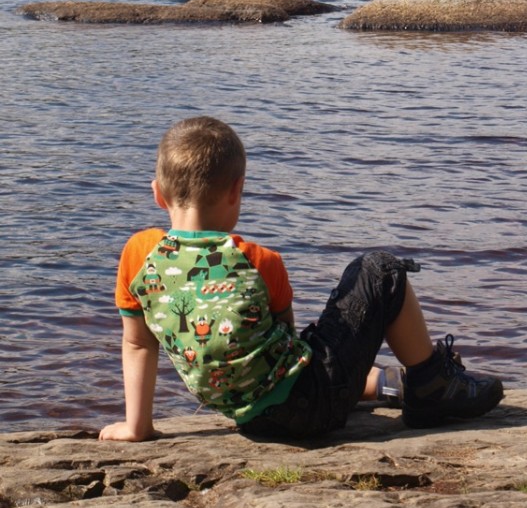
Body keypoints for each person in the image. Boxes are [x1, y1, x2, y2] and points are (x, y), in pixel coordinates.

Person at [99, 116, 503, 442]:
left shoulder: (138, 254)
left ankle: (389, 384)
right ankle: (431, 383)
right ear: (237, 190)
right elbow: (290, 353)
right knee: (379, 270)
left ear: (157, 194)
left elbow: (137, 345)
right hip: (311, 409)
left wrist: (137, 428)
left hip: (252, 420)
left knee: (313, 356)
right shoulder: (258, 260)